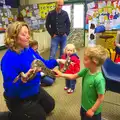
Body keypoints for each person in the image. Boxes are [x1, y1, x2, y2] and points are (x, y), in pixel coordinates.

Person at [1, 21, 60, 120]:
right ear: (14, 37)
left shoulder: (28, 49)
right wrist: (22, 80)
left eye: (28, 33)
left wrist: (58, 61)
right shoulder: (8, 60)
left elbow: (43, 63)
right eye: (24, 34)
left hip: (34, 88)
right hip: (19, 97)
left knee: (50, 105)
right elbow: (10, 88)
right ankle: (9, 116)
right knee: (40, 117)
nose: (28, 36)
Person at [54, 45, 108, 120]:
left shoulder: (99, 79)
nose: (83, 61)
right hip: (84, 106)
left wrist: (92, 110)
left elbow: (101, 98)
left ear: (95, 62)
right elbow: (73, 76)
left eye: (85, 59)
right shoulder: (86, 70)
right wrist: (61, 74)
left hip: (93, 111)